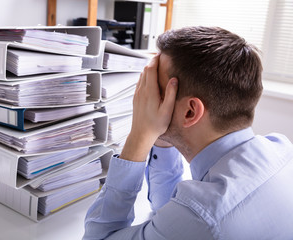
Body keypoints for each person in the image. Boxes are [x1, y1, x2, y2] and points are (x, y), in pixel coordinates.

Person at [83, 26, 293, 239]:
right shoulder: (281, 148)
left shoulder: (202, 218)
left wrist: (139, 135)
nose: (147, 95)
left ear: (191, 111)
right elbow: (169, 209)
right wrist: (161, 139)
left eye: (156, 87)